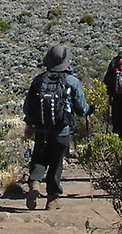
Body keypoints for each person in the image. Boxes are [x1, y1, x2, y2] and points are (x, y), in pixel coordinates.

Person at [23, 44, 92, 210]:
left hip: (41, 129)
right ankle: (52, 198)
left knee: (39, 158)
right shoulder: (72, 81)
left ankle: (35, 184)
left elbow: (27, 107)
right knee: (56, 162)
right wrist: (90, 109)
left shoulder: (39, 81)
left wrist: (29, 124)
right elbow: (81, 108)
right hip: (62, 130)